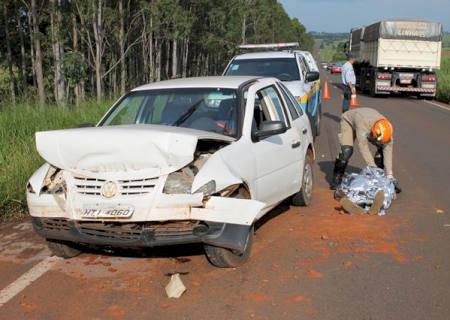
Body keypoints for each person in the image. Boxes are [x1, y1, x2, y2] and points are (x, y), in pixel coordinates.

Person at [330, 107, 402, 193]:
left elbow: (388, 151)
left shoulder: (386, 130)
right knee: (347, 151)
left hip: (370, 124)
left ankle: (378, 179)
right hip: (349, 122)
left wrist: (390, 175)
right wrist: (373, 167)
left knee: (382, 149)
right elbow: (363, 147)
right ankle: (337, 177)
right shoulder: (363, 124)